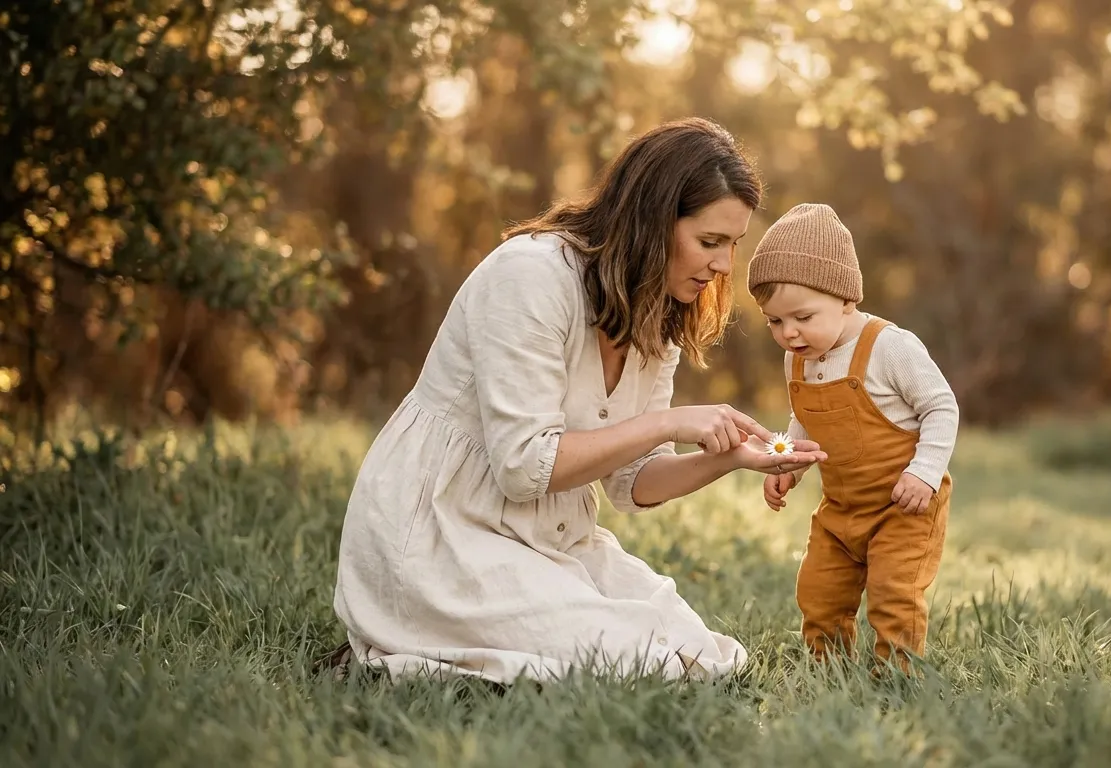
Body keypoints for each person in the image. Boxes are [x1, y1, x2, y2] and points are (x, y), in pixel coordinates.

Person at [327, 118, 827, 685]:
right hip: (442, 533)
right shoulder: (531, 276)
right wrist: (669, 421)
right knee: (641, 666)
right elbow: (523, 467)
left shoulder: (656, 314)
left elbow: (631, 483)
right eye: (709, 242)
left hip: (550, 535)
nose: (722, 266)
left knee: (706, 659)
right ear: (650, 222)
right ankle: (397, 650)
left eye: (732, 245)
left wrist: (730, 458)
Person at [746, 202, 959, 672]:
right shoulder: (799, 356)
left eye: (801, 316)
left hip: (904, 507)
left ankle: (896, 677)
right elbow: (807, 416)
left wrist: (924, 473)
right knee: (818, 590)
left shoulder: (889, 347)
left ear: (846, 299)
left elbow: (941, 407)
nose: (789, 332)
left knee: (893, 593)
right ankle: (830, 671)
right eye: (774, 321)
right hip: (842, 509)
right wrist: (787, 461)